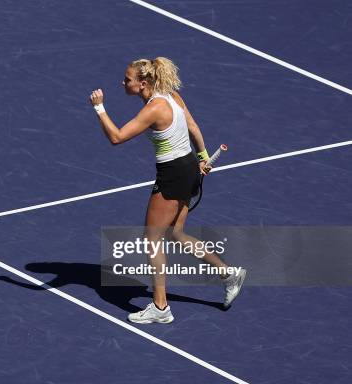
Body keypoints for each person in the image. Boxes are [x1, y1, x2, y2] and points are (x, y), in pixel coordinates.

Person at [90, 57, 245, 324]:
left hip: (173, 175)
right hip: (188, 168)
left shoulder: (154, 109)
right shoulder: (172, 96)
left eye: (127, 79)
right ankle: (228, 273)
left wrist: (99, 108)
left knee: (152, 239)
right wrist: (203, 158)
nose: (123, 82)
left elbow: (116, 137)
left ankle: (161, 307)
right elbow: (193, 128)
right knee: (174, 233)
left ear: (143, 83)